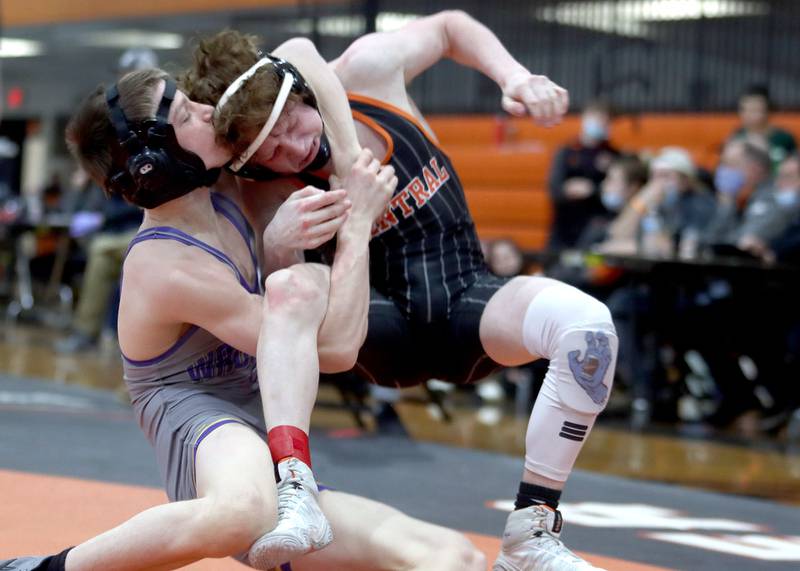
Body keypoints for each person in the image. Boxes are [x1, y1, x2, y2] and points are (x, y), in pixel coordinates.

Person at [0, 69, 486, 571]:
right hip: (203, 425)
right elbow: (334, 349)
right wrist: (358, 224)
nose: (211, 111)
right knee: (243, 510)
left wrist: (337, 165)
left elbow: (301, 57)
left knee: (454, 557)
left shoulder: (232, 188)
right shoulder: (167, 266)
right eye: (188, 114)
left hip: (263, 435)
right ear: (155, 164)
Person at [184, 11, 617, 570]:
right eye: (271, 153)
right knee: (290, 284)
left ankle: (531, 532)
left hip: (468, 302)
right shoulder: (261, 186)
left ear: (299, 92)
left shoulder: (367, 72)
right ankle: (296, 487)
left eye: (292, 125)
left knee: (589, 329)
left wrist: (512, 77)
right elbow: (279, 300)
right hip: (373, 328)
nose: (293, 151)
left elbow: (452, 27)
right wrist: (280, 246)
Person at [547, 100, 619, 251]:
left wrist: (592, 189)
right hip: (564, 228)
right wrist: (567, 190)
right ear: (585, 118)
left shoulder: (613, 155)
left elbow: (616, 192)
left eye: (605, 121)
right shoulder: (566, 151)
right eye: (597, 118)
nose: (600, 124)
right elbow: (554, 189)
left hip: (595, 228)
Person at [728, 83, 796, 171]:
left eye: (757, 110)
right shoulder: (736, 138)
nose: (753, 115)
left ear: (768, 110)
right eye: (748, 110)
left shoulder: (783, 138)